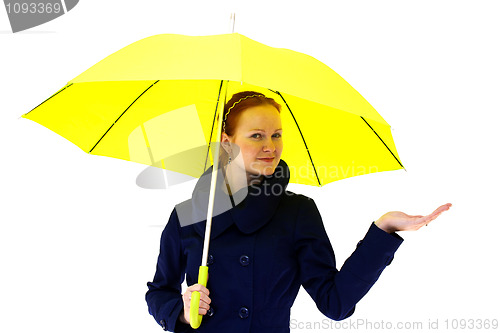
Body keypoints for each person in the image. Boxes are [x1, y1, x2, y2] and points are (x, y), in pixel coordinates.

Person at [145, 91, 452, 332]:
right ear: (227, 143)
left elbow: (336, 303)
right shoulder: (189, 214)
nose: (270, 146)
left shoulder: (297, 212)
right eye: (257, 135)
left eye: (276, 134)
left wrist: (383, 230)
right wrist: (182, 314)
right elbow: (159, 292)